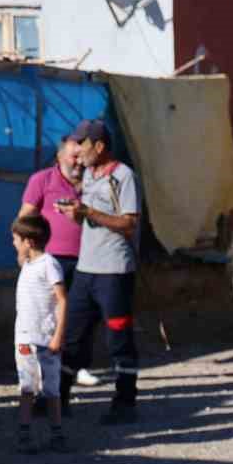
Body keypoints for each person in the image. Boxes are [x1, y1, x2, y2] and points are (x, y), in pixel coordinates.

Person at [56, 119, 140, 423]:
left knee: (118, 338)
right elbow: (93, 221)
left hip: (114, 271)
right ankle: (58, 399)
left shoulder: (123, 176)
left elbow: (129, 223)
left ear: (100, 147)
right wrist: (75, 214)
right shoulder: (90, 176)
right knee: (72, 337)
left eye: (84, 144)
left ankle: (125, 403)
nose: (78, 151)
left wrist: (88, 212)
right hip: (86, 269)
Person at [19, 137, 98, 388]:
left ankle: (79, 365)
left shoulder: (94, 183)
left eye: (82, 156)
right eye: (74, 156)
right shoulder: (42, 180)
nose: (79, 161)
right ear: (60, 156)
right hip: (50, 262)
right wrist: (23, 252)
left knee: (84, 316)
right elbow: (25, 218)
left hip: (89, 259)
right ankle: (41, 368)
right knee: (47, 316)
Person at [9, 214, 69, 453]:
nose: (13, 243)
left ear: (29, 242)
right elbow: (20, 258)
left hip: (46, 340)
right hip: (24, 339)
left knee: (51, 390)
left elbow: (62, 300)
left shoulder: (50, 264)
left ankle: (57, 433)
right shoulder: (28, 265)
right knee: (26, 387)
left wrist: (58, 336)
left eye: (16, 239)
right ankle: (25, 433)